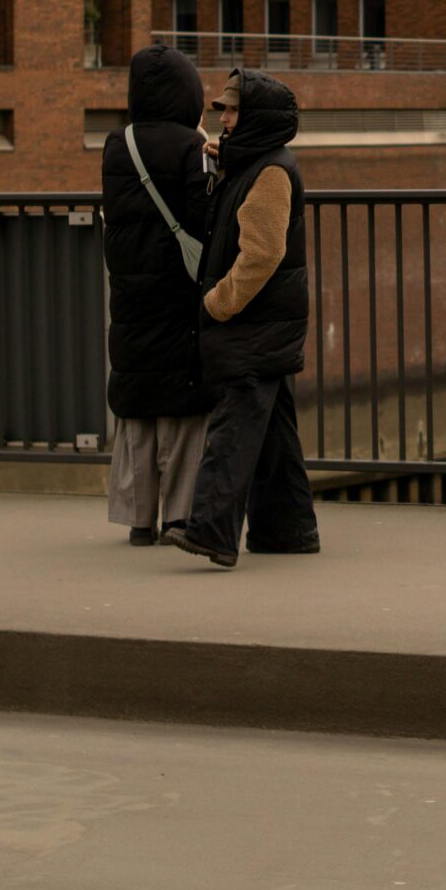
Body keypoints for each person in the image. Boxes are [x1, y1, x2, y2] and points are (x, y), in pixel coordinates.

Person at [169, 68, 321, 569]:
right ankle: (288, 530)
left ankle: (212, 533)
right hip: (267, 323)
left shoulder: (272, 173)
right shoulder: (257, 165)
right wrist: (226, 162)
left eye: (233, 111)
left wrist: (218, 302)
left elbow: (261, 253)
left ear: (255, 117)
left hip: (254, 323)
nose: (225, 120)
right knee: (274, 433)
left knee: (233, 428)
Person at [101, 43, 214, 545]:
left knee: (138, 402)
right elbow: (201, 217)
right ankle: (179, 516)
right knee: (184, 405)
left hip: (130, 292)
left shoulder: (116, 144)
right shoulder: (190, 147)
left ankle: (138, 519)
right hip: (178, 293)